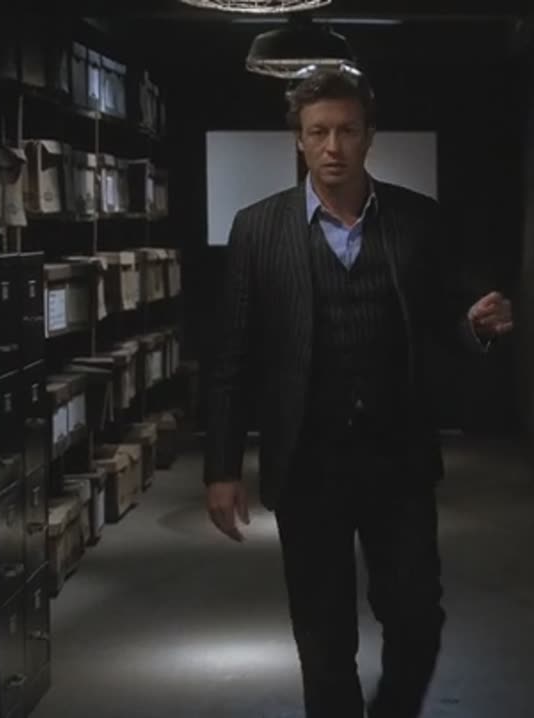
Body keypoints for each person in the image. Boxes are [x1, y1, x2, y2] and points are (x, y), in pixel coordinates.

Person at [203, 67, 514, 718]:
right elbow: (232, 356)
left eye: (346, 131)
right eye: (317, 132)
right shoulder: (258, 229)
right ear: (299, 140)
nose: (332, 147)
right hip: (306, 460)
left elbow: (443, 323)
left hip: (396, 454)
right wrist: (222, 468)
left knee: (417, 615)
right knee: (323, 638)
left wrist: (475, 327)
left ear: (370, 136)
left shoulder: (416, 219)